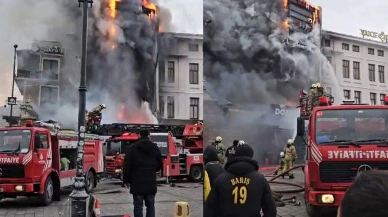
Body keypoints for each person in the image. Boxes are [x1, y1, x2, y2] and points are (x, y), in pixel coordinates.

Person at [204, 144, 277, 217]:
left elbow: (209, 210)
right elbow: (271, 211)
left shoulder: (220, 180)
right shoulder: (261, 180)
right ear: (251, 156)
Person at [122, 129, 163, 217]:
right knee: (151, 206)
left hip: (137, 183)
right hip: (150, 183)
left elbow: (127, 166)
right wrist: (152, 170)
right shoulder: (155, 148)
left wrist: (126, 180)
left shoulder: (132, 149)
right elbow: (160, 164)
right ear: (149, 136)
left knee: (138, 207)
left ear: (139, 136)